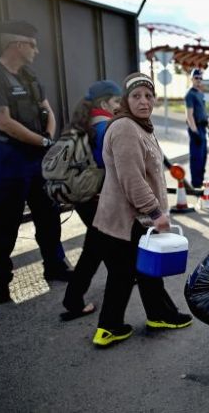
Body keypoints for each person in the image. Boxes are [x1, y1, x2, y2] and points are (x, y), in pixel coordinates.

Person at [91, 73, 192, 347]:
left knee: (145, 270)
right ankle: (109, 328)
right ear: (126, 100)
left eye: (148, 95)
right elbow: (132, 179)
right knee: (125, 274)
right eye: (136, 96)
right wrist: (156, 213)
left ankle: (160, 315)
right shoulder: (125, 128)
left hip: (134, 219)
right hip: (128, 219)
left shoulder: (140, 126)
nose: (144, 101)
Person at [0, 20, 72, 304]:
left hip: (37, 156)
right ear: (17, 45)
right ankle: (2, 282)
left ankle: (55, 266)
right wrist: (43, 142)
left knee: (49, 214)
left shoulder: (30, 77)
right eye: (32, 45)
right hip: (10, 158)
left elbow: (48, 111)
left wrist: (48, 141)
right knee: (6, 221)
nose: (37, 51)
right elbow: (4, 122)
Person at [60, 80, 122, 321]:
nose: (120, 105)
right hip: (98, 198)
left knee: (100, 247)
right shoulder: (106, 127)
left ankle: (126, 278)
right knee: (94, 250)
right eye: (117, 101)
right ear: (104, 102)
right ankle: (73, 301)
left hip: (83, 198)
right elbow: (110, 166)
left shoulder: (81, 125)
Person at [185, 68, 209, 187]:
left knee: (203, 156)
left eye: (200, 78)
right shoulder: (190, 94)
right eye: (196, 78)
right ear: (192, 79)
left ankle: (200, 181)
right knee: (196, 157)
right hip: (196, 128)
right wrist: (195, 132)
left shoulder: (200, 93)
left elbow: (203, 111)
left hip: (203, 128)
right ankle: (195, 184)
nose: (198, 80)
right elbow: (189, 115)